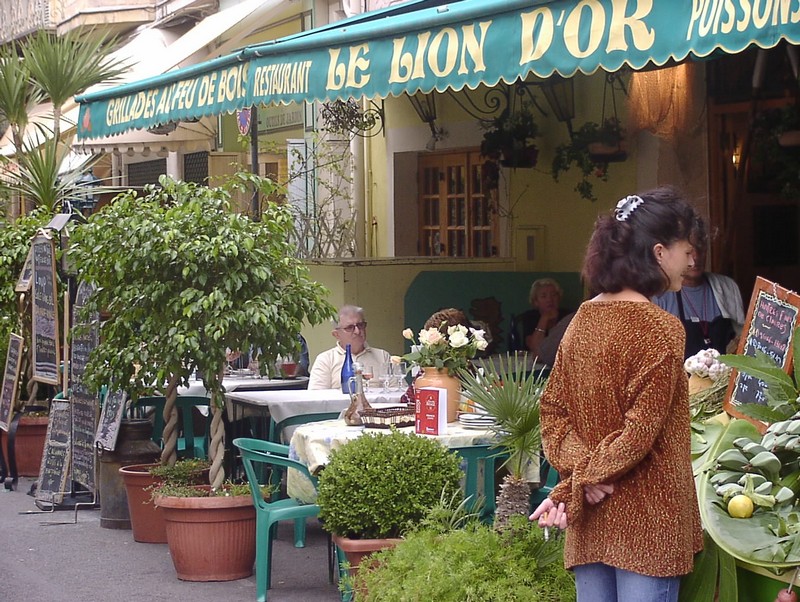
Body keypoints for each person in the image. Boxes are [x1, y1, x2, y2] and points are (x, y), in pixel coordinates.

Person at [530, 188, 704, 602]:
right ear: (660, 252)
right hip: (649, 519)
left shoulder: (581, 319)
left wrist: (579, 478)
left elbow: (552, 415)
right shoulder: (661, 329)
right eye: (687, 250)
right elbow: (638, 435)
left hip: (591, 519)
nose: (693, 261)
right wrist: (581, 482)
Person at [653, 220, 745, 358]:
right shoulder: (659, 295)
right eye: (689, 251)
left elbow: (741, 339)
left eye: (701, 248)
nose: (695, 258)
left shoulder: (727, 287)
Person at [307, 305, 391, 390]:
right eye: (350, 328)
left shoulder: (382, 356)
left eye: (360, 325)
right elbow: (316, 396)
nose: (357, 331)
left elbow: (397, 392)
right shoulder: (326, 360)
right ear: (336, 334)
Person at [519, 278, 572, 359]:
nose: (549, 299)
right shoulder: (530, 316)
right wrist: (544, 318)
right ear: (536, 302)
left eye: (553, 295)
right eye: (544, 296)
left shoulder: (567, 316)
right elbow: (535, 348)